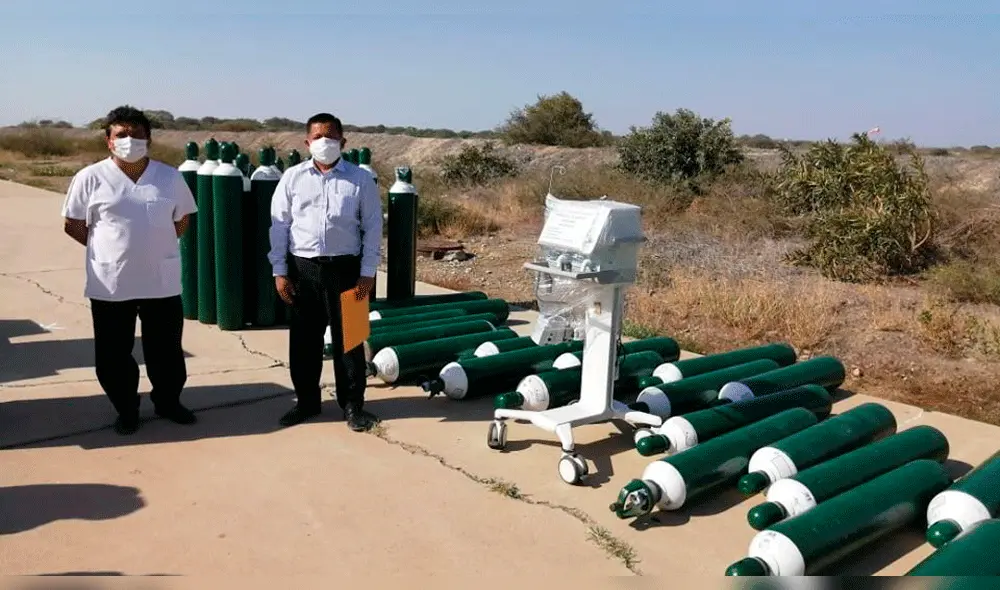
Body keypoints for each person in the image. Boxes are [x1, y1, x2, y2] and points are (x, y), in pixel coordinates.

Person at [61, 106, 199, 435]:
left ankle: (168, 401)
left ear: (148, 139)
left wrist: (153, 246)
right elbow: (74, 224)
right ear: (109, 142)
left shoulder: (168, 177)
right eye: (121, 135)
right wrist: (108, 250)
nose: (130, 140)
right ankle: (126, 409)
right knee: (113, 355)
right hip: (111, 281)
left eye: (136, 134)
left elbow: (182, 221)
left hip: (160, 281)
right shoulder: (90, 178)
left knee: (166, 350)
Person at [268, 113, 383, 432]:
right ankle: (306, 403)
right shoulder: (292, 178)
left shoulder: (360, 179)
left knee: (352, 340)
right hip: (303, 271)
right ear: (307, 142)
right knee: (304, 342)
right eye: (318, 137)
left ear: (343, 142)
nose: (324, 143)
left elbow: (373, 228)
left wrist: (368, 273)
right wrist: (280, 271)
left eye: (331, 137)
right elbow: (279, 227)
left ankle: (353, 406)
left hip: (350, 272)